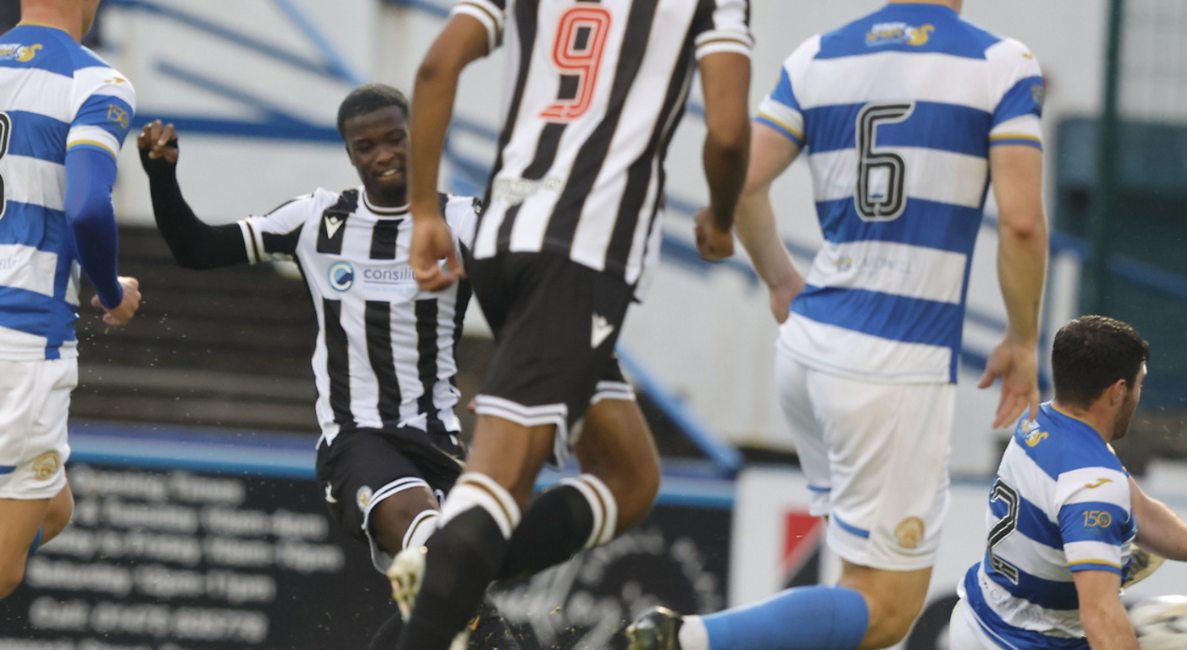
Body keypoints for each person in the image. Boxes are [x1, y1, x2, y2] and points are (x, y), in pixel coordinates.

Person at [628, 2, 1050, 650]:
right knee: (886, 609)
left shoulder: (819, 55)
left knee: (856, 585)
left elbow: (741, 184)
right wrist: (1022, 340)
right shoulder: (1000, 62)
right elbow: (1021, 223)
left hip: (808, 348)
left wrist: (778, 278)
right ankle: (683, 641)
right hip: (891, 367)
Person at [394, 0, 753, 648]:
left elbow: (436, 66)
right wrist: (723, 218)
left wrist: (425, 210)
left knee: (629, 477)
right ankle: (448, 564)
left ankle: (452, 567)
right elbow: (727, 135)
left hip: (502, 248)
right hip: (580, 260)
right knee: (493, 491)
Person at [136, 84, 513, 650]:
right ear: (350, 154)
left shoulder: (463, 221)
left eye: (395, 138)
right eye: (366, 146)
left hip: (439, 441)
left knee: (453, 605)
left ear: (420, 138)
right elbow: (198, 249)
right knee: (435, 551)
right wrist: (161, 178)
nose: (383, 154)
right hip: (356, 440)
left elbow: (529, 290)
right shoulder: (316, 220)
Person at [948, 316, 1187, 650]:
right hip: (1024, 642)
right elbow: (1100, 615)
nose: (1139, 395)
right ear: (1118, 391)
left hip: (978, 616)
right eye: (1140, 384)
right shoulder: (1093, 482)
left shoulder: (1039, 420)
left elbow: (1138, 508)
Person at [0, 0, 142, 600]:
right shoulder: (96, 81)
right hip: (22, 341)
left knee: (54, 510)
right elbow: (87, 205)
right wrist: (111, 291)